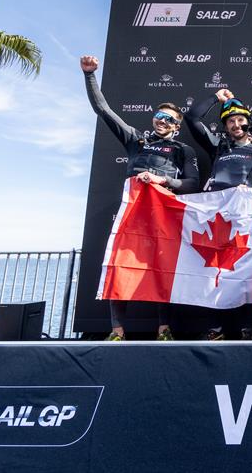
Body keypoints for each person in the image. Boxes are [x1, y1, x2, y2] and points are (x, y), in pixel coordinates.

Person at [81, 55, 200, 342]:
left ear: (177, 126)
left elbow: (193, 184)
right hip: (132, 213)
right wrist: (89, 75)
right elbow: (104, 110)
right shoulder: (137, 140)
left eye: (169, 119)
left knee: (163, 267)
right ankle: (117, 332)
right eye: (159, 117)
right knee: (119, 265)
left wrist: (162, 180)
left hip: (163, 215)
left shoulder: (183, 150)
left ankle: (164, 329)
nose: (162, 121)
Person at [184, 89, 252, 340]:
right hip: (217, 220)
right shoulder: (217, 147)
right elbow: (191, 117)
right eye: (230, 121)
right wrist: (217, 98)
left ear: (249, 122)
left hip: (246, 221)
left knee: (244, 272)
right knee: (214, 272)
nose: (236, 124)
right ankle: (215, 328)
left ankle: (247, 328)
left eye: (239, 119)